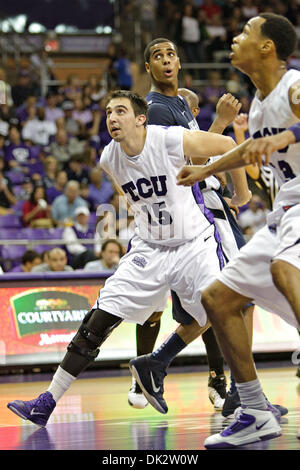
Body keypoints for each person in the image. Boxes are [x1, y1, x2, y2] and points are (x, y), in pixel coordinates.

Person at [7, 89, 244, 428]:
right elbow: (130, 195)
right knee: (98, 321)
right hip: (150, 246)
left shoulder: (168, 139)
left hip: (194, 241)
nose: (112, 118)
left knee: (217, 311)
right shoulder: (108, 158)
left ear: (140, 118)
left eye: (120, 111)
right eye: (107, 113)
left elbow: (225, 147)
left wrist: (241, 193)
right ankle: (46, 402)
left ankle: (219, 386)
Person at [176, 13, 300, 447]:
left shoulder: (294, 85)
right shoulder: (263, 101)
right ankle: (254, 410)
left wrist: (289, 136)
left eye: (246, 32)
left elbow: (281, 137)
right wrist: (205, 169)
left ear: (267, 47)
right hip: (285, 211)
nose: (235, 37)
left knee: (286, 267)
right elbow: (249, 147)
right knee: (218, 298)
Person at [128, 37, 252, 412]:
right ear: (148, 68)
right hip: (195, 213)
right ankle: (229, 386)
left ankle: (217, 380)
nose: (165, 60)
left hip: (206, 208)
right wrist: (224, 124)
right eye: (157, 56)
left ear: (180, 62)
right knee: (230, 299)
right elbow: (190, 161)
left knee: (225, 302)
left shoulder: (178, 102)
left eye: (170, 54)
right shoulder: (156, 108)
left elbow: (201, 151)